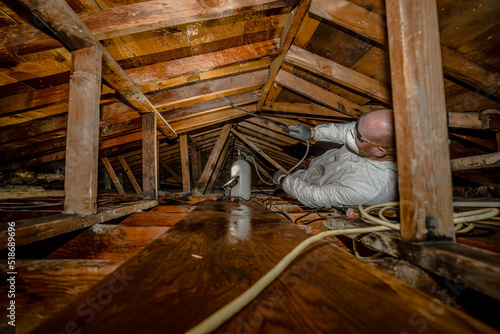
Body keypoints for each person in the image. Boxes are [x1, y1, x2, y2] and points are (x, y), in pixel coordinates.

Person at [273, 109, 398, 208]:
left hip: (314, 183)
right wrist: (313, 132)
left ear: (379, 151)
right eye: (356, 125)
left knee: (299, 177)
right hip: (320, 164)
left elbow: (315, 195)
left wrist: (284, 181)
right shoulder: (372, 139)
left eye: (357, 135)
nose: (350, 133)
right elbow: (346, 131)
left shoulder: (368, 189)